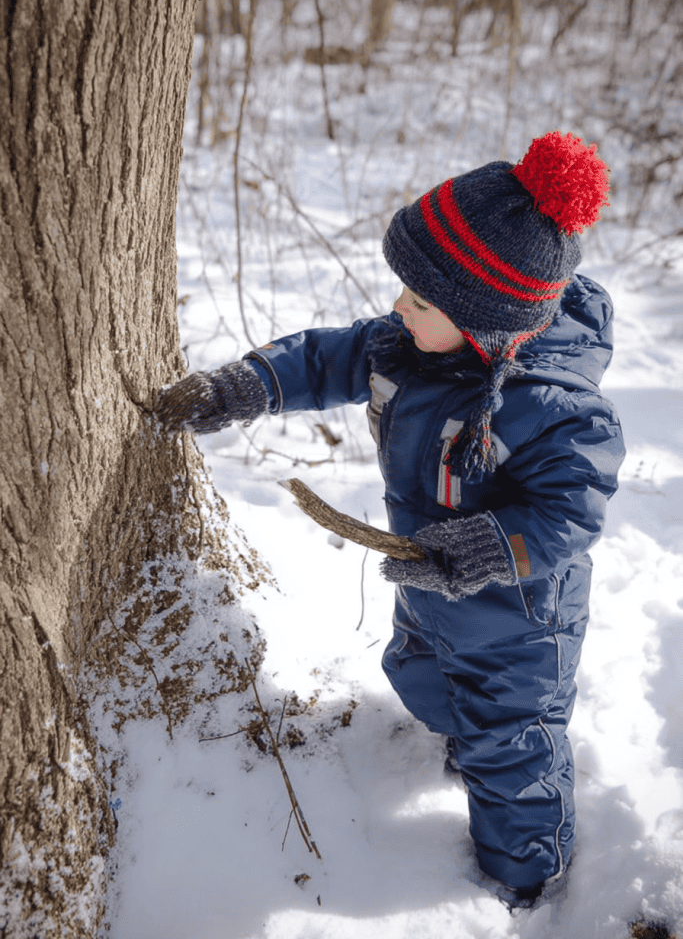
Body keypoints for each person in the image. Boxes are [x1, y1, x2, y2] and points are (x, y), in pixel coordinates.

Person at [155, 132, 625, 911]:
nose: (398, 308)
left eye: (419, 300)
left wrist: (481, 548)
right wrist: (245, 386)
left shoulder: (554, 409)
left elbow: (568, 514)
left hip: (517, 620)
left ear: (489, 324)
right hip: (426, 582)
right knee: (415, 673)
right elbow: (322, 358)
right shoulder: (407, 344)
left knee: (508, 746)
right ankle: (454, 739)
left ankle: (528, 874)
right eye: (403, 290)